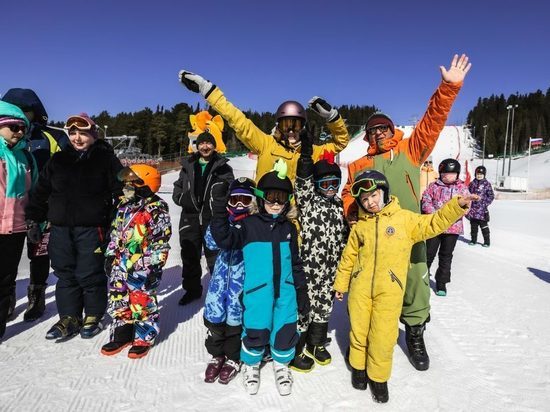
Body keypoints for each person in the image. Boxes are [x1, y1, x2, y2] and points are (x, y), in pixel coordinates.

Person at [341, 54, 472, 371]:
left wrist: (448, 87)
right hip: (375, 238)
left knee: (415, 284)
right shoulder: (360, 165)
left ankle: (414, 335)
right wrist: (353, 213)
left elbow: (431, 121)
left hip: (410, 232)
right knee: (372, 286)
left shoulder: (411, 151)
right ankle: (370, 337)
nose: (379, 134)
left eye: (383, 128)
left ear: (391, 130)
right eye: (372, 131)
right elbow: (347, 193)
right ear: (367, 137)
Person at [334, 170, 476, 403]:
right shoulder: (360, 226)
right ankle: (358, 368)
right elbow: (348, 257)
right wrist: (341, 283)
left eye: (374, 195)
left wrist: (456, 206)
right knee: (358, 330)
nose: (370, 202)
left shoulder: (405, 220)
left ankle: (378, 378)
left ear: (384, 192)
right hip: (359, 290)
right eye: (365, 199)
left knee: (383, 335)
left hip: (389, 291)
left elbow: (433, 223)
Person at [209, 160, 309, 396]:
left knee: (285, 330)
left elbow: (295, 263)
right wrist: (220, 207)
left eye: (282, 198)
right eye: (271, 197)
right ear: (261, 198)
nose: (276, 203)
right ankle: (251, 366)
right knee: (256, 330)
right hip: (257, 292)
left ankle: (282, 365)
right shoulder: (248, 226)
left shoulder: (289, 228)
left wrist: (301, 291)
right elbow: (223, 238)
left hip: (285, 291)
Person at [25, 113, 123, 341]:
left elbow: (120, 191)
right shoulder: (58, 161)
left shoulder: (106, 160)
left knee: (90, 273)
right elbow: (41, 192)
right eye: (73, 133)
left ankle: (93, 315)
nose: (77, 138)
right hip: (60, 228)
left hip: (93, 228)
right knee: (65, 273)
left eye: (83, 133)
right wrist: (33, 219)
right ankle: (69, 317)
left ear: (93, 134)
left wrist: (116, 223)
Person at [177, 69, 350, 182]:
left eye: (295, 125)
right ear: (278, 126)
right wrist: (208, 90)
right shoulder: (265, 144)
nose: (291, 131)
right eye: (286, 124)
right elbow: (238, 120)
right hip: (265, 218)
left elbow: (340, 143)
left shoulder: (311, 151)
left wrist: (333, 118)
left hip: (297, 223)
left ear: (303, 127)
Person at [2, 88, 69, 322]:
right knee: (7, 260)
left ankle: (37, 295)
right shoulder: (6, 136)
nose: (18, 115)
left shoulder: (51, 137)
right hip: (10, 212)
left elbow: (68, 169)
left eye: (24, 111)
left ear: (35, 112)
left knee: (39, 253)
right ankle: (7, 298)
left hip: (43, 209)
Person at [289, 126, 347, 373]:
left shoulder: (338, 204)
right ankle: (295, 347)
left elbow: (343, 236)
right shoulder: (308, 199)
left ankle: (315, 344)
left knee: (324, 307)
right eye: (325, 183)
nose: (331, 187)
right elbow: (302, 181)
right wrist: (305, 155)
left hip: (330, 269)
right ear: (317, 184)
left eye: (335, 182)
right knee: (303, 307)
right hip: (309, 268)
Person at [101, 164, 171, 359]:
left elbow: (161, 240)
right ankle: (122, 331)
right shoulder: (123, 205)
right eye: (126, 184)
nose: (126, 188)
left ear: (145, 185)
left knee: (141, 299)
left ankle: (144, 335)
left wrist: (156, 266)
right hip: (120, 262)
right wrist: (110, 255)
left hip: (143, 264)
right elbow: (116, 233)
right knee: (118, 297)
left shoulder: (156, 207)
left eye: (132, 184)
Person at [202, 177, 257, 384]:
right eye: (235, 200)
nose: (240, 205)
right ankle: (216, 354)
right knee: (215, 320)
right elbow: (209, 242)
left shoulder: (253, 225)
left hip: (239, 285)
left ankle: (233, 357)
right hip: (218, 284)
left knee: (235, 322)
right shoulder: (223, 222)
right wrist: (220, 219)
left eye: (245, 199)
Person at [172, 132, 234, 305]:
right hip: (189, 218)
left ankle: (219, 292)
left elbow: (230, 189)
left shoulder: (223, 167)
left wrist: (220, 204)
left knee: (215, 258)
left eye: (209, 143)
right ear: (196, 146)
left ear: (214, 146)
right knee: (190, 256)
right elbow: (178, 187)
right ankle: (192, 290)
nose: (205, 147)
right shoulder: (188, 165)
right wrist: (181, 198)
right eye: (202, 143)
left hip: (213, 219)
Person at [0, 101, 36, 340]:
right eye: (13, 127)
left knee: (5, 280)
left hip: (15, 228)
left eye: (23, 127)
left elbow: (34, 192)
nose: (19, 132)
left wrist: (36, 220)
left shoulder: (26, 157)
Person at [422, 159, 472, 296]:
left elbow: (467, 206)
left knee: (446, 255)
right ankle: (421, 279)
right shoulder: (434, 186)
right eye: (444, 174)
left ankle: (441, 283)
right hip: (434, 226)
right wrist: (433, 213)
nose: (447, 176)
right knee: (428, 254)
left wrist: (457, 213)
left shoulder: (461, 188)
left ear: (457, 174)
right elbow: (426, 199)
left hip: (452, 228)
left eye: (451, 174)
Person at [467, 165, 494, 247]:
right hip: (473, 210)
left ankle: (487, 242)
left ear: (484, 175)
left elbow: (491, 196)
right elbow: (467, 193)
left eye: (481, 174)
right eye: (478, 174)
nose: (479, 176)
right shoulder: (472, 183)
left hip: (482, 211)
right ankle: (473, 240)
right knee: (473, 227)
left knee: (484, 227)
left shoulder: (487, 184)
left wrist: (485, 203)